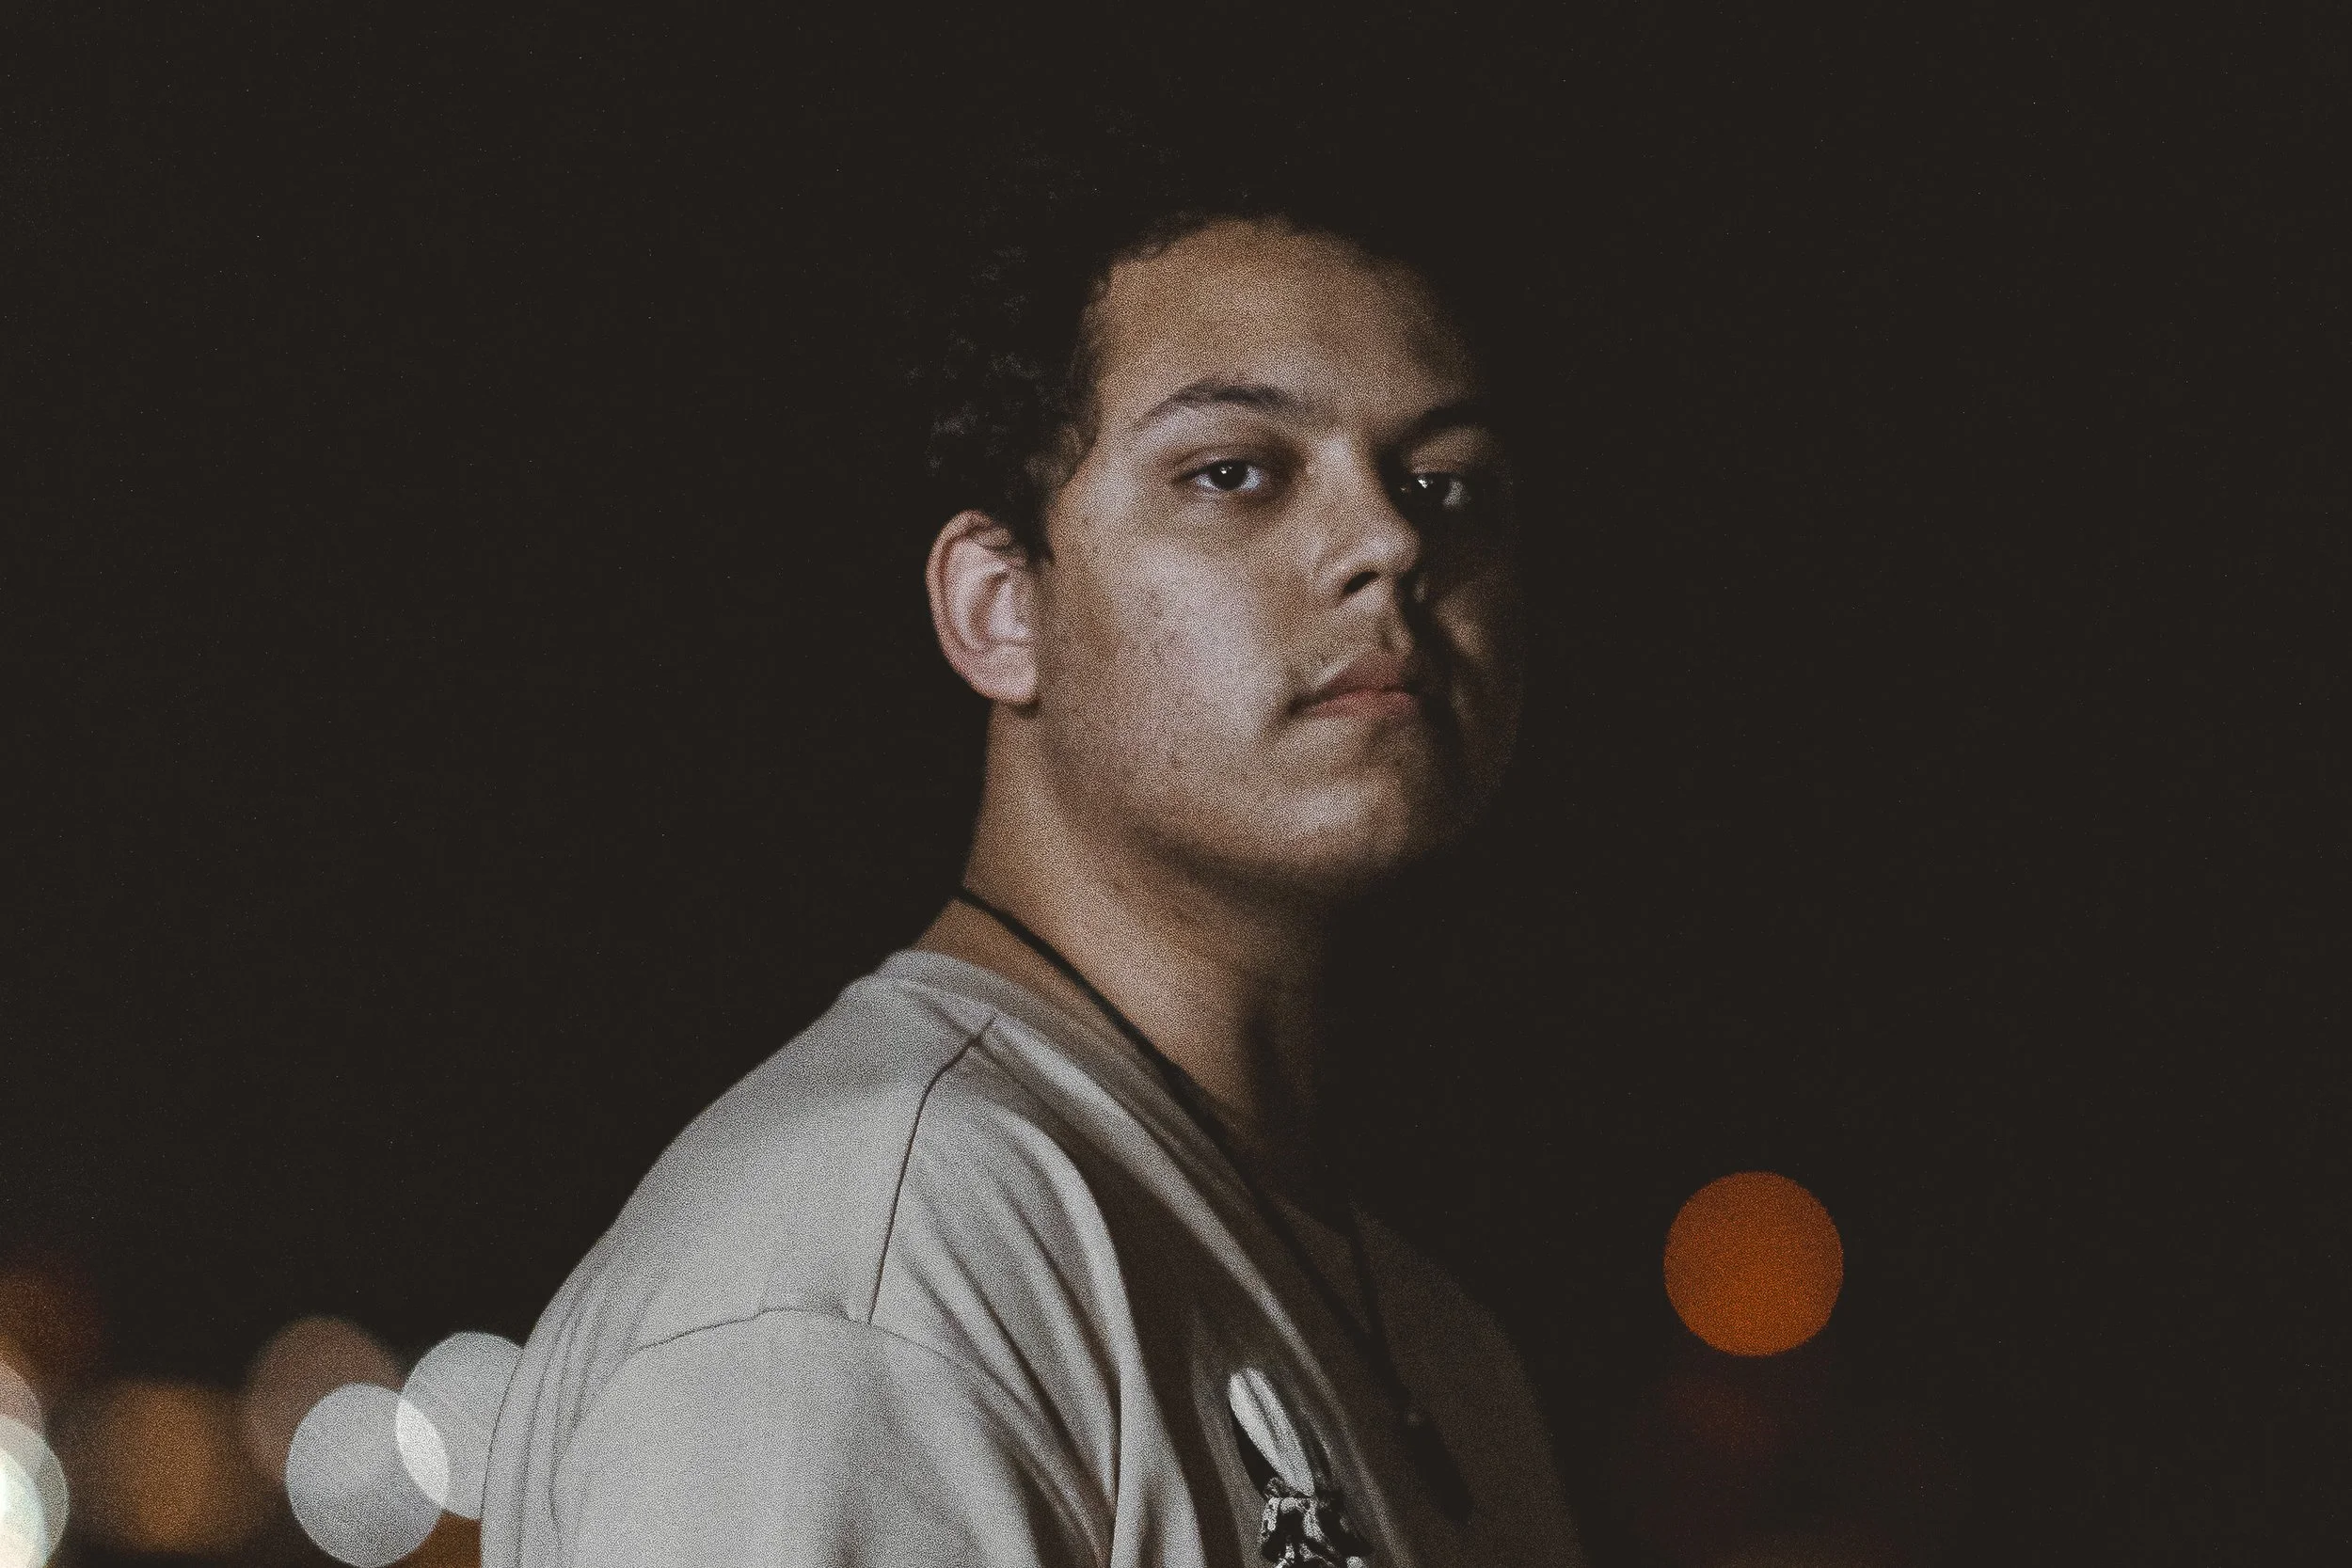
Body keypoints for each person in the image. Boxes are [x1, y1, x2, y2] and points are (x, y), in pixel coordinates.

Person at [482, 153, 1581, 1568]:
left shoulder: (1444, 1338)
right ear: (1001, 608)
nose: (1387, 540)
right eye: (1235, 472)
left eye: (1447, 482)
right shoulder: (880, 1259)